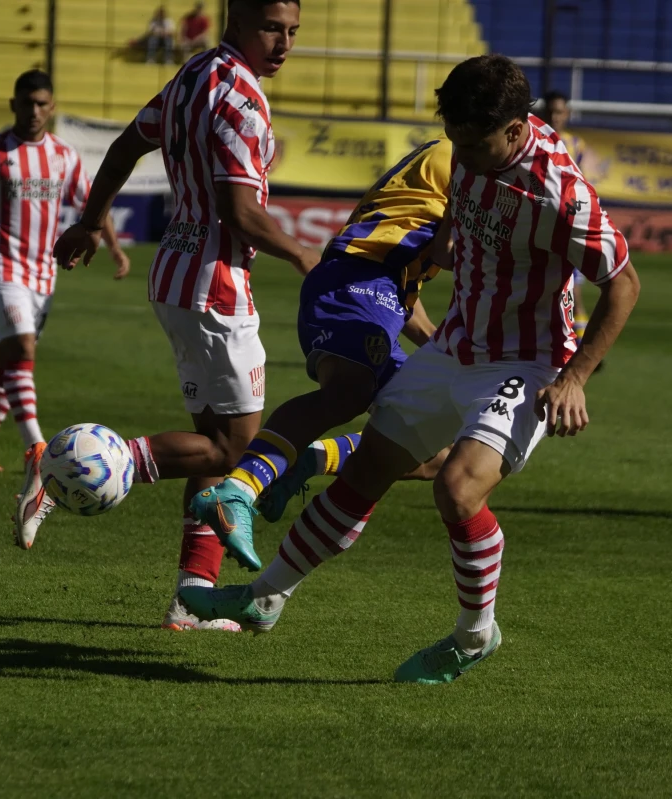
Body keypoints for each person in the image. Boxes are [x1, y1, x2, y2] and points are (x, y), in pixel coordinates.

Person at [182, 54, 640, 684]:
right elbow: (462, 192)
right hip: (455, 345)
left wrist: (575, 378)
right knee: (366, 471)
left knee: (456, 488)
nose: (462, 154)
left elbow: (624, 284)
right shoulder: (471, 152)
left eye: (474, 145)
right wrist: (448, 238)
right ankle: (265, 598)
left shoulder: (560, 191)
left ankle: (474, 636)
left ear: (514, 130)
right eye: (455, 139)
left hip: (527, 363)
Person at [51, 0, 318, 630]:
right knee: (235, 452)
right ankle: (73, 467)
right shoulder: (242, 99)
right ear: (237, 20)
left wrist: (93, 222)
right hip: (216, 288)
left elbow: (124, 146)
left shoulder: (193, 75)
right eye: (272, 29)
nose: (283, 44)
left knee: (214, 450)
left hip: (174, 277)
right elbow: (239, 214)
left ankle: (190, 597)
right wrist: (306, 253)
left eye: (292, 33)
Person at [189, 137, 455, 574]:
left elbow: (408, 271)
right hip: (358, 280)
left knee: (433, 450)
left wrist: (435, 340)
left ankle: (306, 458)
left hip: (382, 292)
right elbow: (448, 250)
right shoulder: (467, 159)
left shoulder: (448, 162)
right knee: (348, 392)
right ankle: (237, 489)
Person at [0, 70, 129, 495]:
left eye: (42, 104)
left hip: (45, 272)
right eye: (27, 103)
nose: (35, 111)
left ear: (52, 106)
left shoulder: (63, 155)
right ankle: (38, 449)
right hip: (0, 263)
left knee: (10, 359)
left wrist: (113, 248)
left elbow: (93, 203)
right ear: (14, 105)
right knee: (21, 348)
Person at [542, 89, 594, 343]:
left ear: (567, 114)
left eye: (559, 112)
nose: (554, 117)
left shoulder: (576, 145)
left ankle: (579, 342)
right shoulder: (535, 139)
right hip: (541, 221)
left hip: (568, 221)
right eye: (550, 111)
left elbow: (582, 182)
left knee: (575, 285)